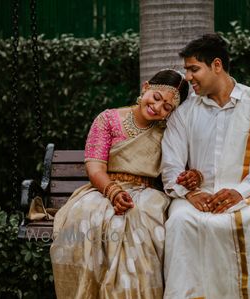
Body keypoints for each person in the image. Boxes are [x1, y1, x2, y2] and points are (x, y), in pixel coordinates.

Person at [161, 34, 250, 299]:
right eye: (187, 70)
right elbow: (171, 162)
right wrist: (192, 193)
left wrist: (240, 191)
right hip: (198, 197)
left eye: (194, 69)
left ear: (217, 65)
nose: (187, 77)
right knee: (180, 221)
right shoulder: (184, 113)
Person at [50, 69, 195, 298]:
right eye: (156, 98)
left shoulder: (168, 131)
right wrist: (113, 192)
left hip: (147, 192)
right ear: (146, 87)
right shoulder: (108, 119)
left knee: (141, 218)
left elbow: (175, 168)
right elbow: (95, 167)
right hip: (103, 189)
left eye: (167, 107)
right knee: (88, 217)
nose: (158, 108)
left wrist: (190, 175)